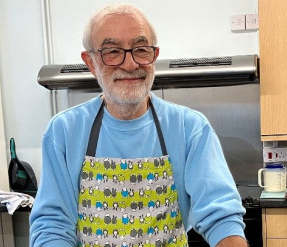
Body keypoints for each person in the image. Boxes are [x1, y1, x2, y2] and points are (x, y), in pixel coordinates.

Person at [29, 3, 248, 247]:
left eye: (141, 49)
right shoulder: (64, 132)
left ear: (154, 55)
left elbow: (220, 217)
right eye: (112, 51)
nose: (130, 64)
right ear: (91, 63)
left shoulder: (190, 129)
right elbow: (53, 226)